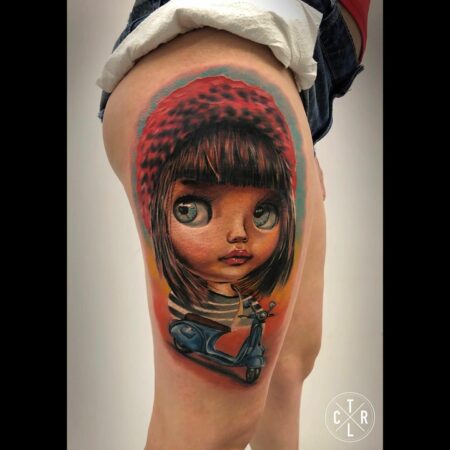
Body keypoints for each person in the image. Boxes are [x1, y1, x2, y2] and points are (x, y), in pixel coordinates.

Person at [97, 0, 370, 448]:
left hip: (299, 74)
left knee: (288, 369)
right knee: (209, 429)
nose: (239, 234)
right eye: (193, 209)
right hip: (238, 23)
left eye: (262, 213)